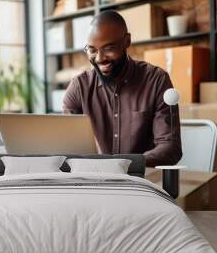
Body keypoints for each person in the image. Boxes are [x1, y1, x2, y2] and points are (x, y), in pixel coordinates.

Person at [62, 10, 182, 167]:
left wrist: (122, 165)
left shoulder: (156, 80)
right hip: (94, 180)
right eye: (92, 50)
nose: (99, 58)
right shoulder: (79, 88)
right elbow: (66, 148)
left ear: (127, 41)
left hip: (143, 181)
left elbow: (170, 148)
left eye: (109, 48)